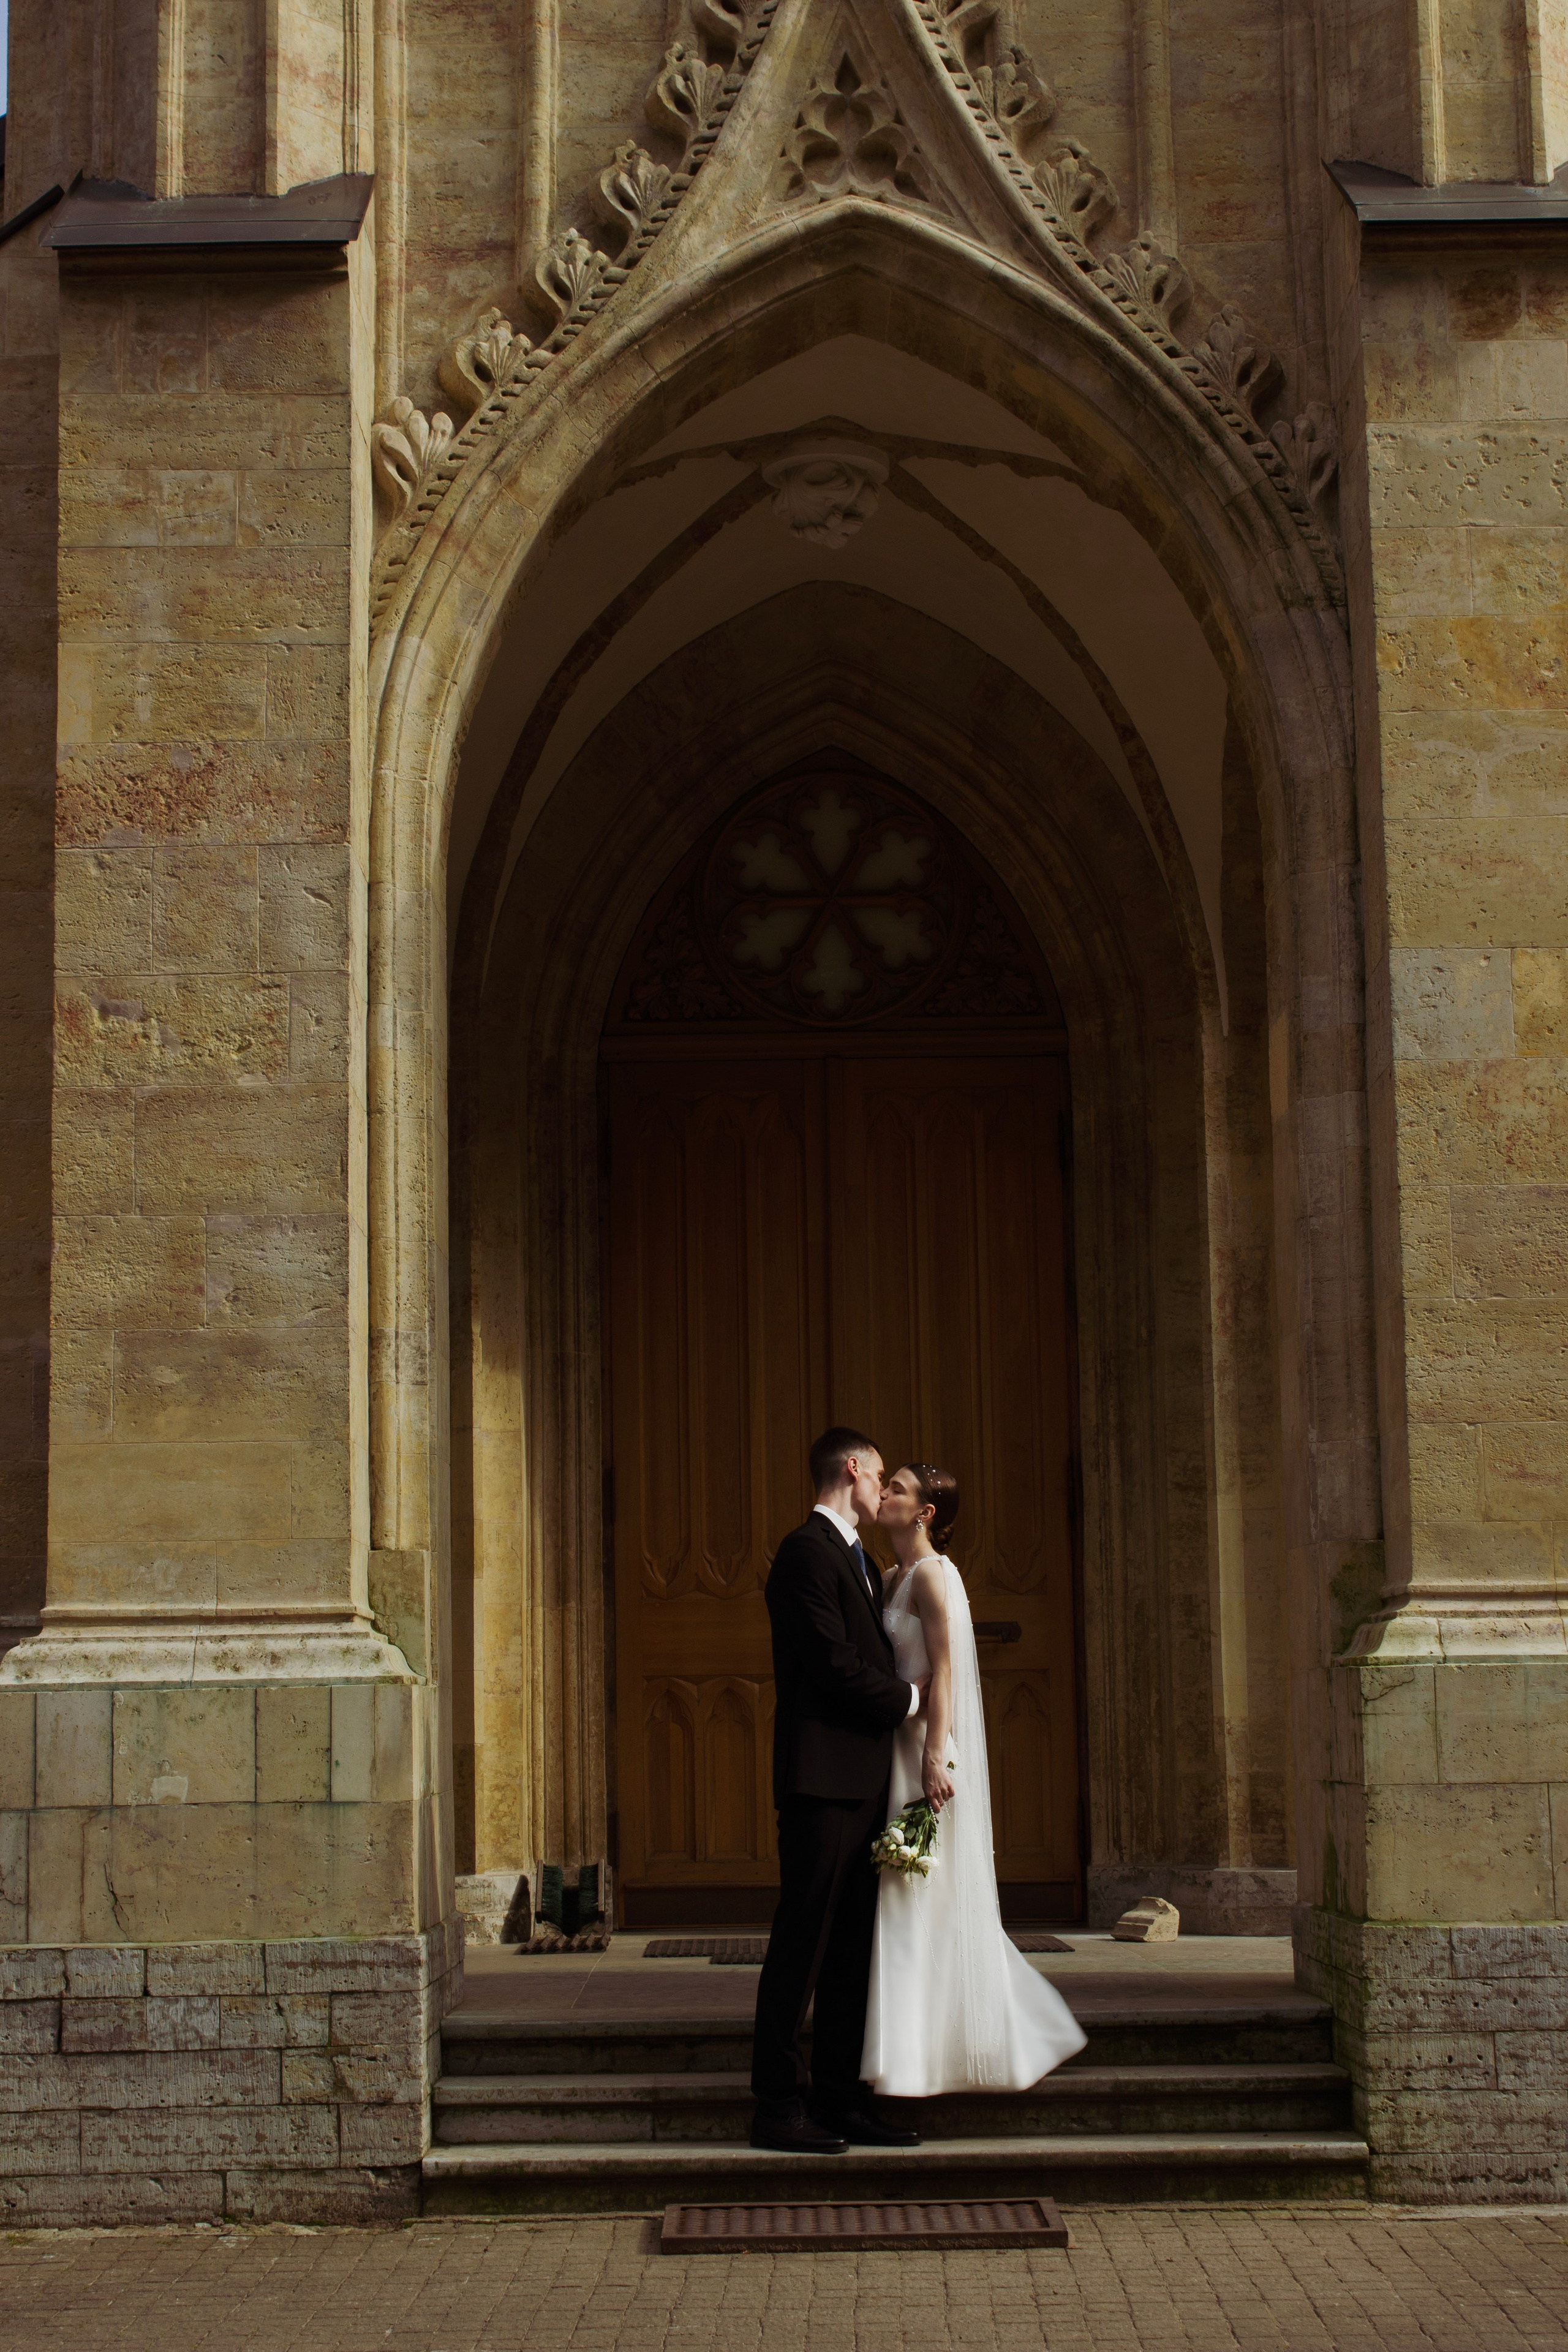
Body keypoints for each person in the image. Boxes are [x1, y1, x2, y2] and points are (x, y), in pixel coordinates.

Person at [862, 1463, 1087, 2095]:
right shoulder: (889, 1577)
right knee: (898, 1889)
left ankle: (931, 2050)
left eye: (897, 1490)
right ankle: (902, 2045)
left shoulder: (933, 1577)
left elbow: (947, 1668)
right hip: (895, 1745)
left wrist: (937, 1751)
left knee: (919, 1885)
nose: (884, 1496)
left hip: (924, 1750)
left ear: (925, 1513)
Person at [750, 1427, 927, 2154]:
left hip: (864, 1782)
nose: (881, 1488)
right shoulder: (804, 1553)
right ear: (851, 1470)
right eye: (877, 1475)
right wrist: (910, 1703)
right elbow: (830, 1662)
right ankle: (776, 2106)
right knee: (805, 1943)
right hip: (821, 1783)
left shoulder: (859, 1559)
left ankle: (840, 2098)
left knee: (854, 1948)